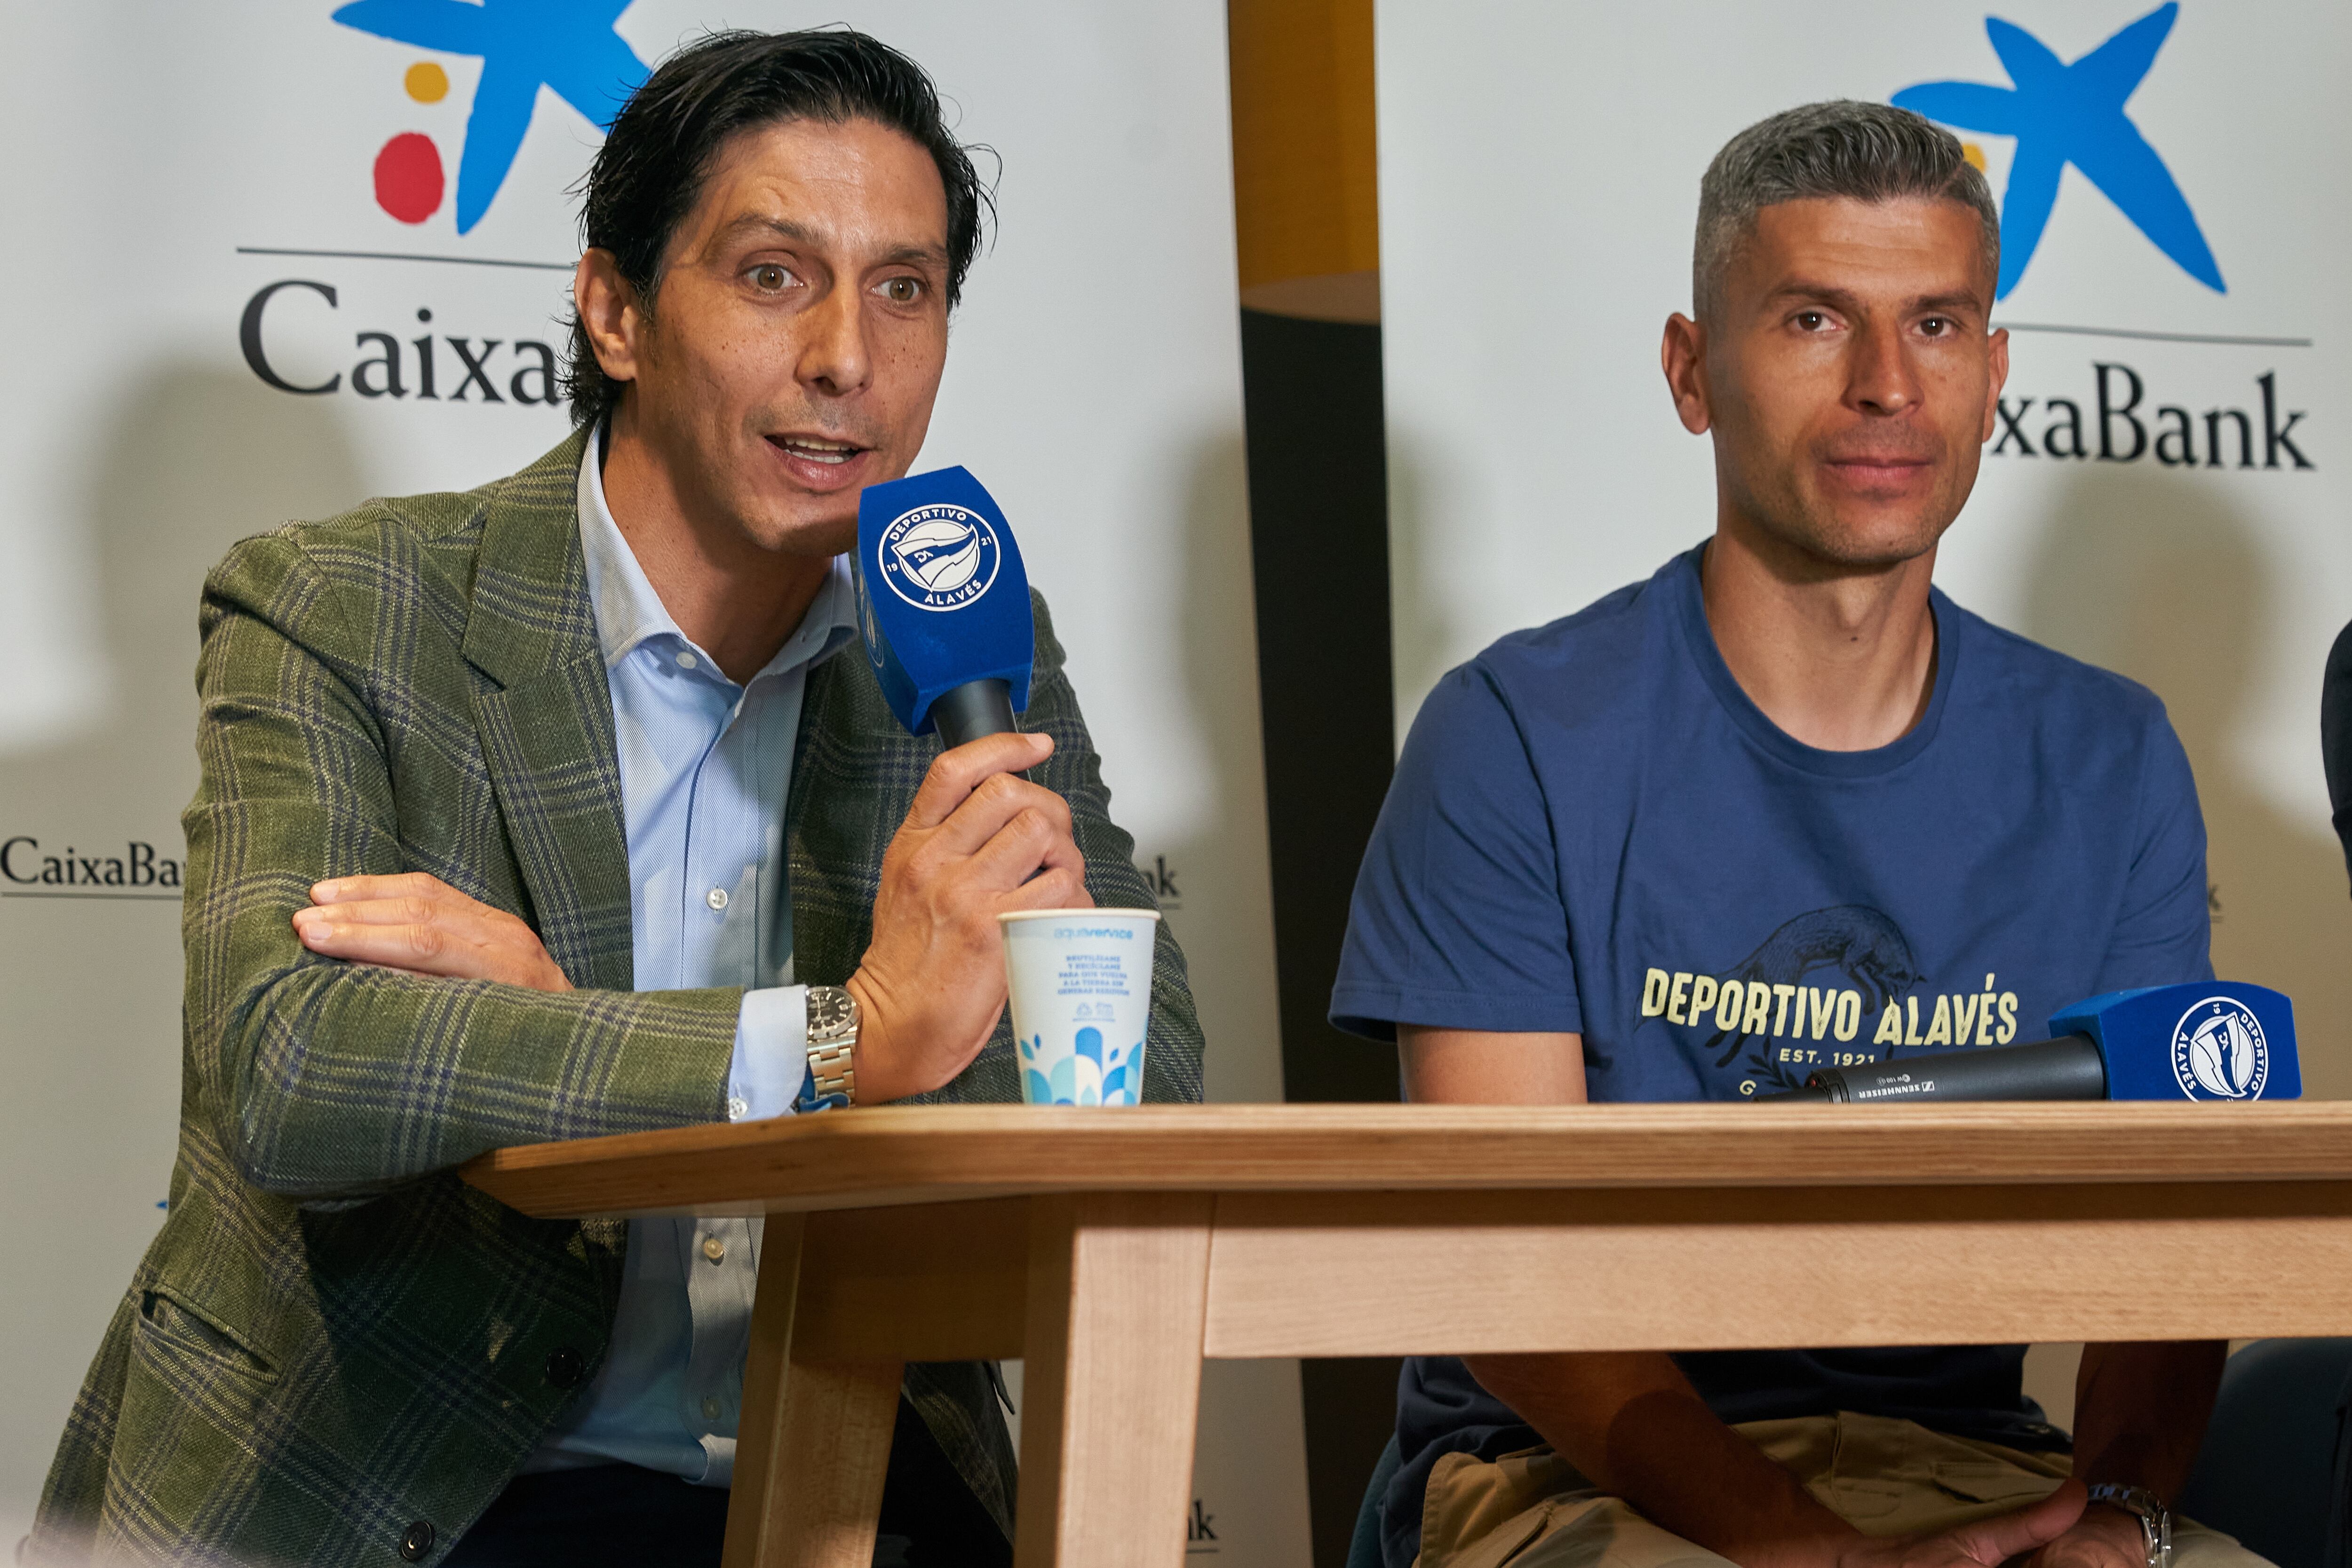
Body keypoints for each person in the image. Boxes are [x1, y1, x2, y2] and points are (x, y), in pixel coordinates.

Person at [31, 29, 1201, 1568]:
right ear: (618, 311)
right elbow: (290, 1066)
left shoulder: (972, 635)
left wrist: (550, 1014)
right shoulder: (342, 603)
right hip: (413, 1481)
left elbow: (1142, 1087)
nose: (850, 356)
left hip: (841, 1471)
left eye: (904, 289)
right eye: (776, 274)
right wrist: (848, 1035)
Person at [1331, 102, 2262, 1568]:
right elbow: (1504, 1276)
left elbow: (2174, 1227)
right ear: (1693, 372)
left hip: (1980, 1475)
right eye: (1817, 320)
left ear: (1996, 374)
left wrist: (2126, 1523)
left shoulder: (2113, 753)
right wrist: (1813, 1554)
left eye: (1940, 326)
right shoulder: (1514, 733)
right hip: (1567, 1479)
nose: (1889, 386)